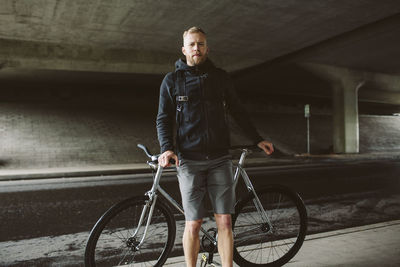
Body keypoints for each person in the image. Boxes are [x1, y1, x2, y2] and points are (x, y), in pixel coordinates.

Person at [156, 26, 274, 267]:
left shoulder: (220, 78)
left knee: (225, 222)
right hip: (188, 160)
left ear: (207, 48)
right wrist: (167, 148)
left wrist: (256, 138)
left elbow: (237, 110)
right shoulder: (172, 80)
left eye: (200, 44)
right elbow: (163, 118)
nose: (196, 48)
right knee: (194, 223)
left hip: (220, 159)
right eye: (192, 44)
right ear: (184, 49)